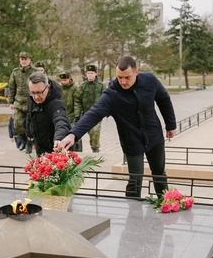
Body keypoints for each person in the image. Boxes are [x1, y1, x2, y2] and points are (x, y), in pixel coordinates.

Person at [57, 56, 177, 198]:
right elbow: (94, 113)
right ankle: (133, 214)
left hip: (154, 135)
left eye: (127, 77)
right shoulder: (112, 94)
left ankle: (166, 203)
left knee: (159, 173)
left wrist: (171, 125)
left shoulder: (150, 80)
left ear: (136, 72)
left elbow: (164, 99)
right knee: (135, 179)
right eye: (119, 77)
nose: (123, 82)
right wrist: (73, 134)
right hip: (131, 141)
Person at [25, 72, 71, 156]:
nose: (36, 97)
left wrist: (59, 138)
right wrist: (29, 133)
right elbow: (29, 115)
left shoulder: (56, 103)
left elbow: (61, 121)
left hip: (56, 149)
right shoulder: (32, 97)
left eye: (39, 92)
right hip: (40, 146)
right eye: (33, 92)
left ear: (48, 87)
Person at [9, 51, 37, 153]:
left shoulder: (35, 72)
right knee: (18, 124)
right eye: (22, 59)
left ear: (30, 60)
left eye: (26, 59)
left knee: (30, 125)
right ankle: (24, 140)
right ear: (19, 60)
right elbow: (12, 87)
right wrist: (11, 101)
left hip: (32, 101)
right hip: (19, 102)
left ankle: (30, 142)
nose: (24, 61)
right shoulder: (15, 72)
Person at [74, 64, 104, 153]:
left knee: (94, 133)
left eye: (92, 73)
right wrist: (77, 114)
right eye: (88, 73)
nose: (90, 75)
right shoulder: (82, 86)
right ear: (86, 74)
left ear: (96, 74)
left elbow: (106, 99)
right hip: (85, 114)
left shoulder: (101, 86)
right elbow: (77, 100)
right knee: (77, 133)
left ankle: (95, 150)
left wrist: (104, 112)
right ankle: (78, 152)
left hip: (97, 115)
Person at [58, 72, 82, 152]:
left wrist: (77, 115)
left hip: (72, 115)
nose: (63, 82)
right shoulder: (59, 89)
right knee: (63, 134)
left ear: (69, 79)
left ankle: (78, 151)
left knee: (75, 134)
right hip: (63, 115)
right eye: (62, 80)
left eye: (65, 80)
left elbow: (77, 102)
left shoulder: (75, 88)